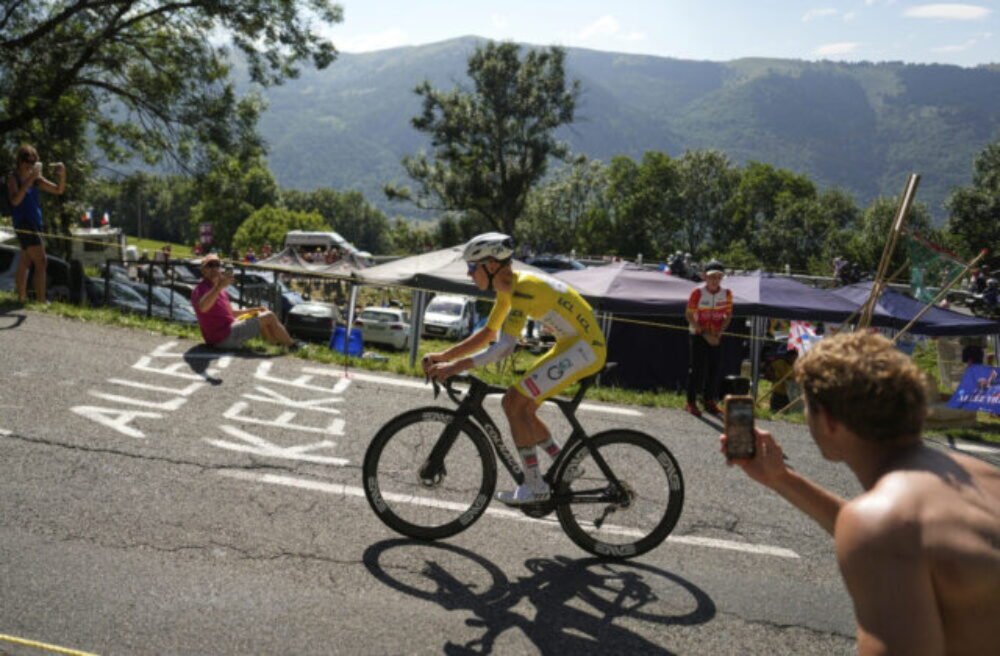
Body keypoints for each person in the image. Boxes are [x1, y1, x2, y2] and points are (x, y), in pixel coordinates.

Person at [722, 332, 999, 655]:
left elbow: (884, 532)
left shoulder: (885, 525)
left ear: (828, 420)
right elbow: (902, 537)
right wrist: (781, 479)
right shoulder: (975, 474)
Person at [423, 233, 606, 505]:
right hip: (571, 345)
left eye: (473, 268)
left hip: (584, 350)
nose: (470, 274)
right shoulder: (509, 289)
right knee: (524, 408)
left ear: (491, 265)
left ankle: (535, 485)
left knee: (513, 401)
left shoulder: (523, 289)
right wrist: (445, 356)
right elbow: (488, 334)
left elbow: (504, 347)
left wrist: (454, 367)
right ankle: (564, 463)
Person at [190, 253, 300, 350]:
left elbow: (231, 313)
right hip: (223, 337)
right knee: (269, 316)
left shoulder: (218, 289)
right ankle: (292, 345)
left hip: (226, 331)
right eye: (210, 265)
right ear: (203, 270)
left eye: (217, 265)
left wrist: (254, 310)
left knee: (262, 312)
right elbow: (203, 307)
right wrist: (219, 287)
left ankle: (275, 344)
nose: (214, 268)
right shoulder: (200, 289)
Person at [5, 144, 66, 303]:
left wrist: (62, 175)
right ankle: (41, 300)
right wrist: (29, 181)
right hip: (23, 223)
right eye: (27, 161)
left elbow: (58, 190)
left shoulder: (36, 179)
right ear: (20, 160)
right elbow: (15, 201)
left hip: (35, 223)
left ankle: (21, 298)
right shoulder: (14, 178)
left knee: (25, 261)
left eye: (33, 162)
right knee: (42, 261)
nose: (30, 165)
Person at [684, 259, 732, 416]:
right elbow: (689, 315)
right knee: (696, 370)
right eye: (712, 276)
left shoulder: (727, 294)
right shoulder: (697, 292)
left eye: (719, 276)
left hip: (716, 335)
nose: (715, 280)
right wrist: (704, 333)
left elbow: (728, 315)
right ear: (705, 276)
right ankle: (690, 402)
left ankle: (709, 401)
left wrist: (719, 333)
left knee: (714, 369)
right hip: (698, 334)